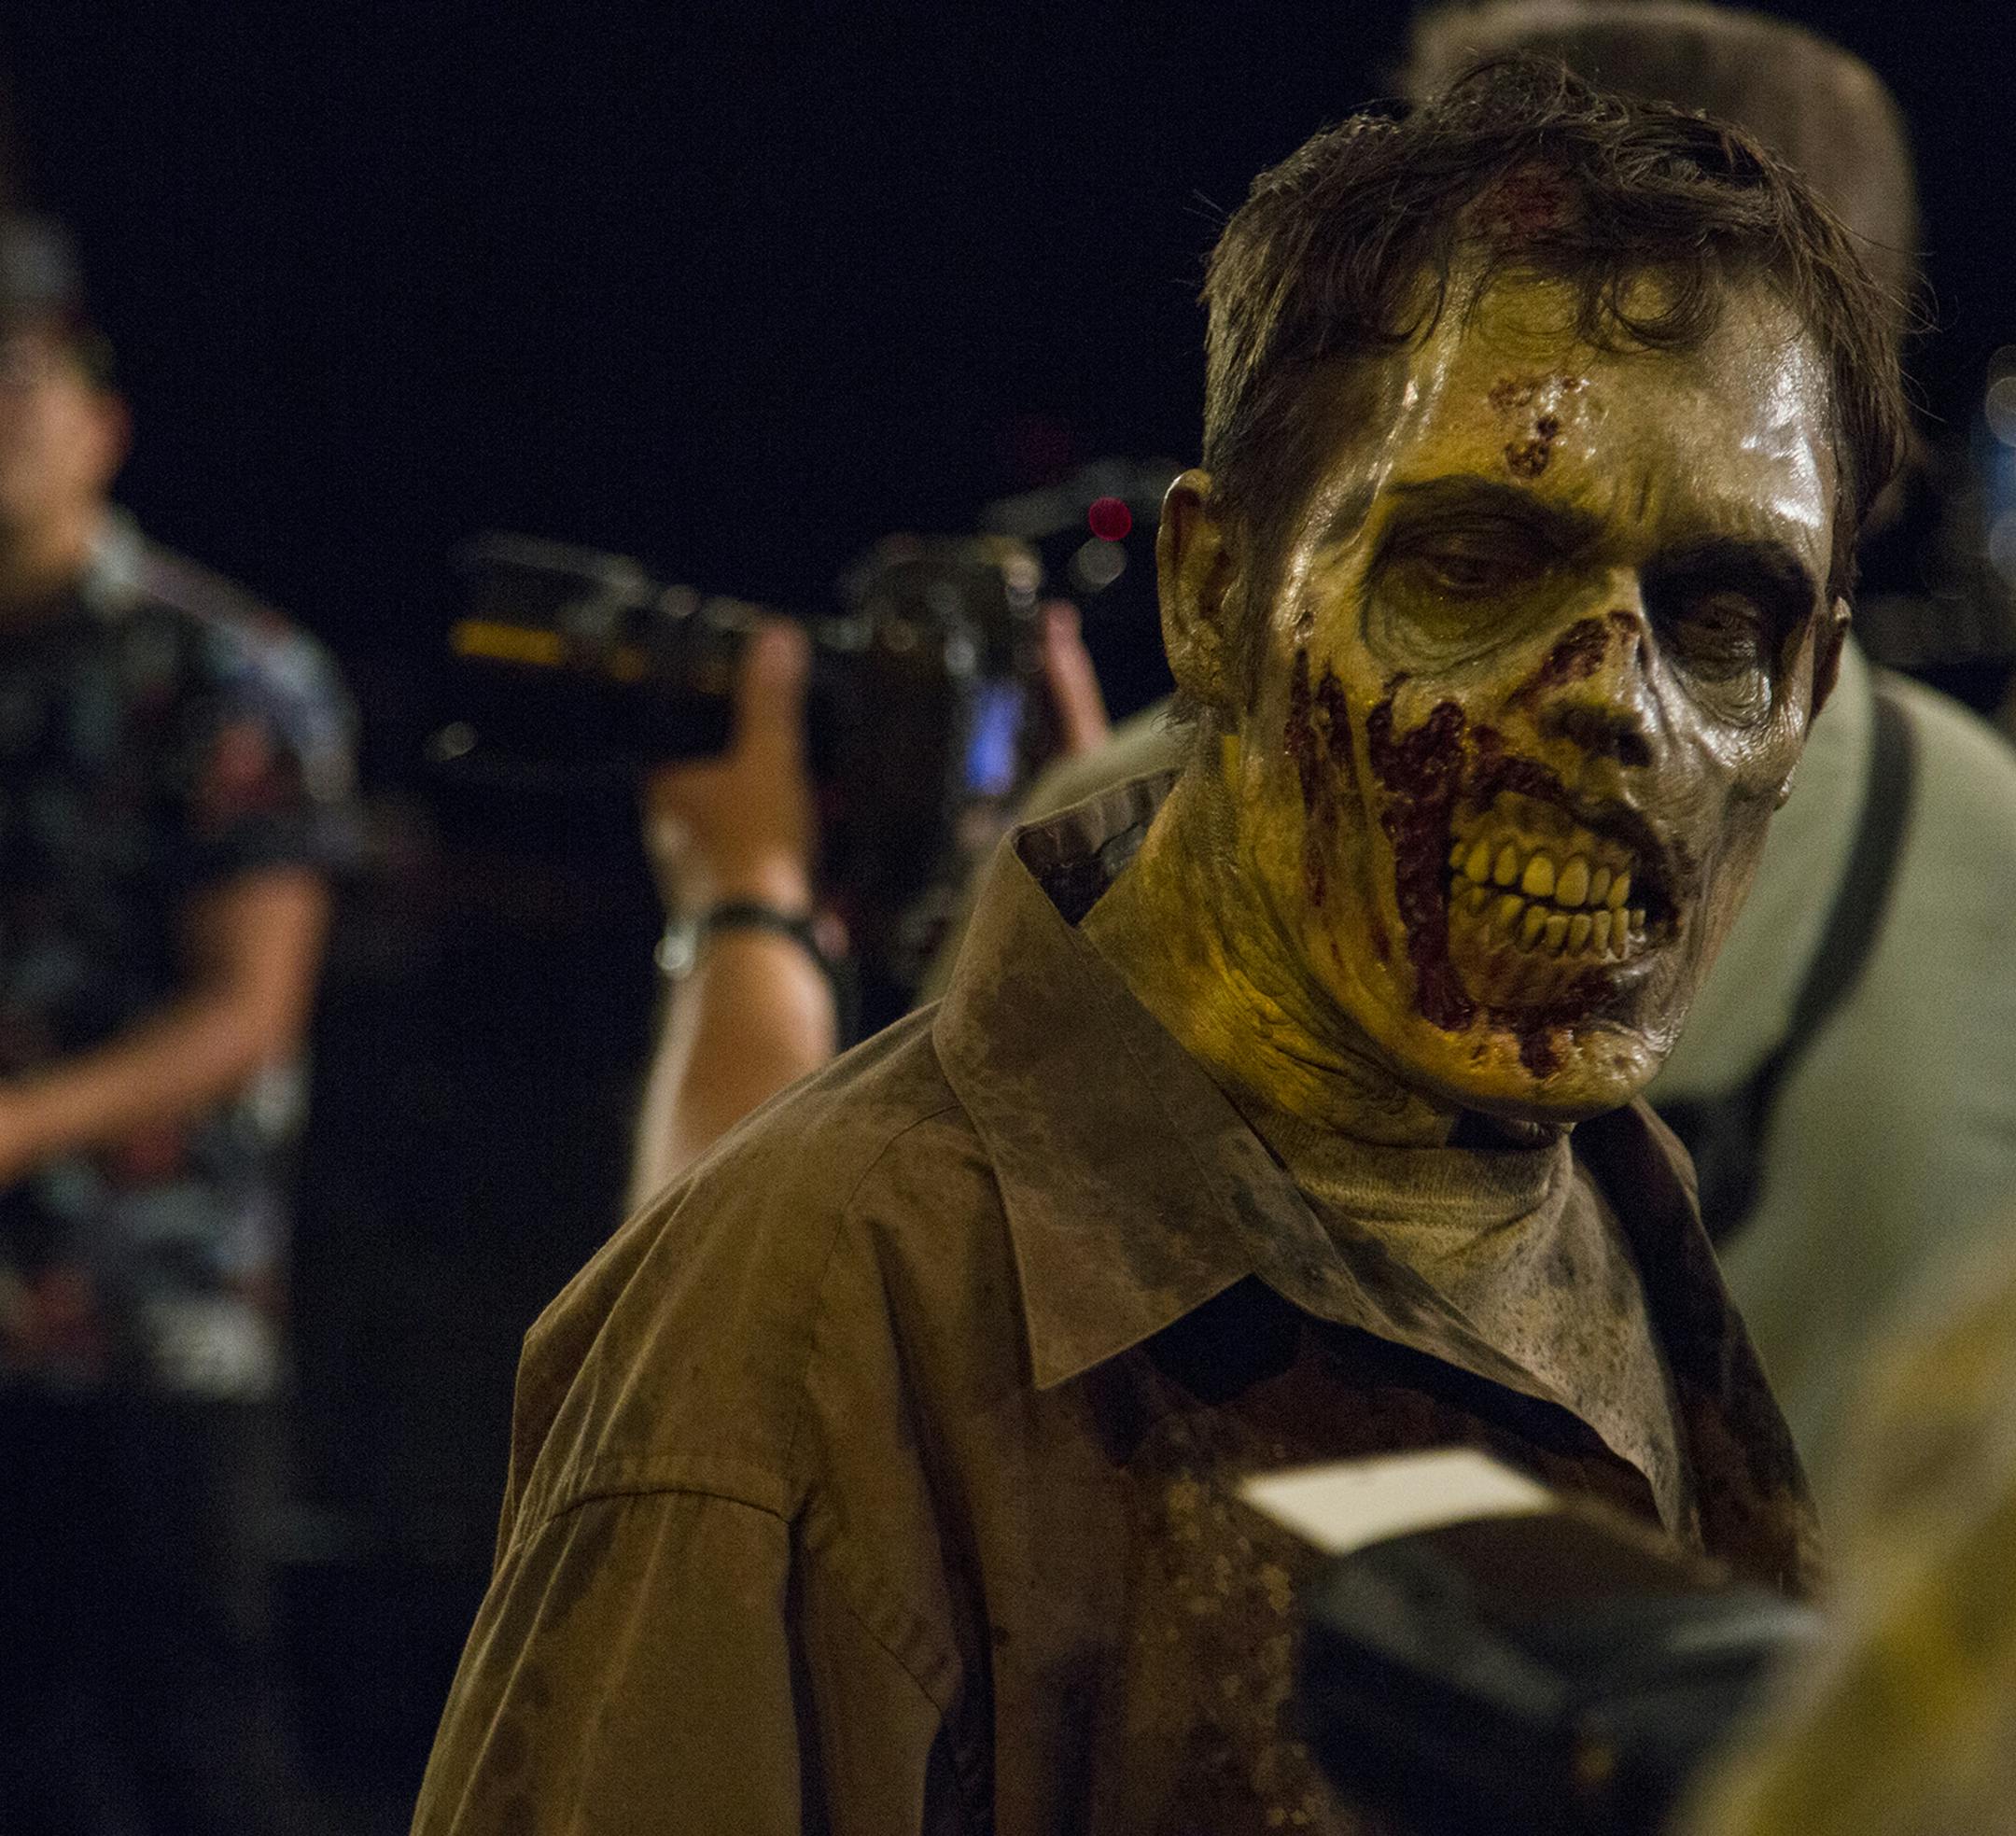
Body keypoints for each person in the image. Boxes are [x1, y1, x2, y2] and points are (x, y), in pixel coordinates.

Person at [413, 63, 1905, 1832]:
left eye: (1722, 616)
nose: (1620, 710)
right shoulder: (807, 1336)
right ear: (1211, 593)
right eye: (1476, 567)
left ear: (1812, 682)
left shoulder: (1620, 1227)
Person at [0, 217, 359, 1833]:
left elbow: (250, 1010)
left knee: (195, 1751)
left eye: (18, 392)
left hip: (155, 1315)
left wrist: (12, 1126)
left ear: (99, 426)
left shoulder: (228, 669)